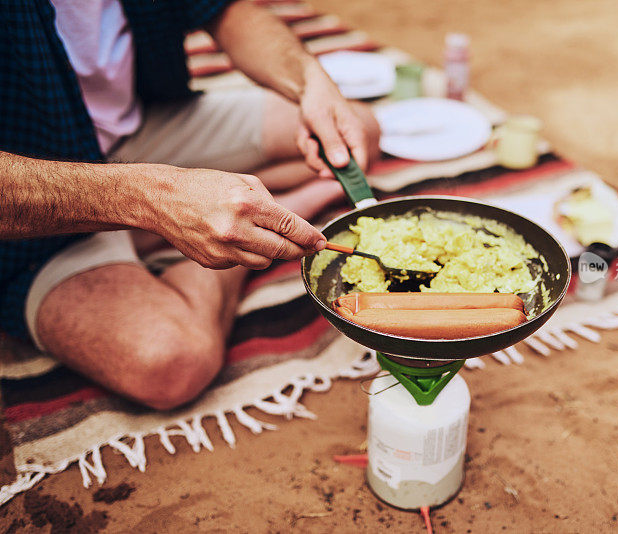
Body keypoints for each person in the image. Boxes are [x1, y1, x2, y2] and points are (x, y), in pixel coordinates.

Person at [0, 0, 380, 409]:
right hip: (31, 201)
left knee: (354, 133)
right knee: (172, 364)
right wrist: (151, 198)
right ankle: (244, 230)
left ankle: (236, 214)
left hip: (139, 130)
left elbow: (230, 14)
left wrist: (309, 82)